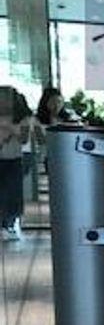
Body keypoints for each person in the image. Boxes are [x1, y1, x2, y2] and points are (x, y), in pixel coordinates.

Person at [0, 88, 32, 240]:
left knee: (12, 193)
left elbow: (24, 139)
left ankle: (9, 224)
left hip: (14, 159)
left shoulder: (23, 118)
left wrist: (10, 128)